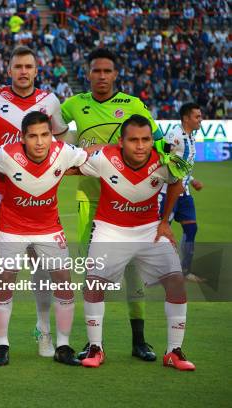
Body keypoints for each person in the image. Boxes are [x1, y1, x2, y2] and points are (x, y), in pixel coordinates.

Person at [61, 48, 163, 362]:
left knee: (134, 271)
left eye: (107, 71)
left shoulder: (133, 106)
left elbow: (156, 144)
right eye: (96, 71)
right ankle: (95, 344)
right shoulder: (74, 105)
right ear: (88, 74)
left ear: (115, 74)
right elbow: (50, 131)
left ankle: (139, 340)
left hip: (130, 204)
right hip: (90, 201)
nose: (102, 76)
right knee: (94, 273)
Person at [76, 114, 195, 371]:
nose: (140, 146)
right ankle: (96, 347)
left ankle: (173, 351)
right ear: (121, 142)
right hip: (110, 230)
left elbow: (176, 184)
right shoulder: (104, 158)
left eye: (145, 140)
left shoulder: (164, 161)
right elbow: (72, 165)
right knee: (94, 284)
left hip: (149, 231)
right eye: (133, 140)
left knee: (176, 283)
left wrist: (165, 221)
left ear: (152, 140)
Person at [0, 45, 69, 357]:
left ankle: (43, 329)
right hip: (1, 196)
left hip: (38, 195)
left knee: (42, 268)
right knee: (1, 271)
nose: (23, 71)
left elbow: (59, 136)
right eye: (18, 66)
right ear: (10, 68)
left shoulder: (49, 100)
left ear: (36, 69)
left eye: (28, 66)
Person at [0, 111, 88, 366]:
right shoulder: (5, 154)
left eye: (45, 135)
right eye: (33, 136)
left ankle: (62, 345)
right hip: (11, 228)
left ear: (52, 135)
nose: (40, 142)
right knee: (4, 282)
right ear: (22, 138)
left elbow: (92, 156)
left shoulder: (63, 151)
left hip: (49, 228)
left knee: (64, 283)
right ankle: (1, 343)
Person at [158, 102, 204, 282]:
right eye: (197, 116)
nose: (200, 119)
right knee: (161, 231)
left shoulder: (192, 136)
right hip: (169, 192)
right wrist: (175, 180)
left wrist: (191, 180)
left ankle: (184, 271)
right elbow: (163, 159)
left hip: (184, 194)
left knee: (191, 229)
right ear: (186, 118)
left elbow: (182, 165)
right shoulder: (174, 136)